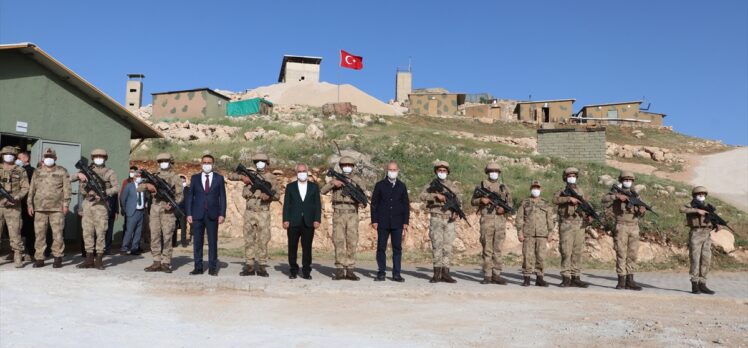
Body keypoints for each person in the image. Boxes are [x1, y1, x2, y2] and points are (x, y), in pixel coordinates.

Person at [227, 153, 279, 277]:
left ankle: (262, 266)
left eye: (262, 161)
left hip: (263, 212)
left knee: (263, 240)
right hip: (249, 212)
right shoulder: (250, 174)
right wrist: (242, 178)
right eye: (257, 162)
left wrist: (268, 197)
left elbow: (277, 196)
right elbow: (230, 176)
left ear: (267, 163)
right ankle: (249, 265)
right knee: (249, 239)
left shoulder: (272, 178)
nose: (259, 163)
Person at [321, 156, 365, 281]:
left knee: (352, 241)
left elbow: (363, 194)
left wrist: (361, 201)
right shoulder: (335, 179)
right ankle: (339, 269)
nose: (347, 167)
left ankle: (350, 269)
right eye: (344, 165)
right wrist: (332, 183)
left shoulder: (357, 180)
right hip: (338, 212)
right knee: (338, 240)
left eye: (349, 165)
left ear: (353, 166)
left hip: (352, 212)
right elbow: (323, 191)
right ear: (341, 167)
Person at [73, 149, 118, 270]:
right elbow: (70, 178)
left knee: (101, 232)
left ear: (105, 158)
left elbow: (116, 188)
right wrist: (78, 175)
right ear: (92, 158)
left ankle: (98, 259)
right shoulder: (86, 170)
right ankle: (88, 259)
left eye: (101, 156)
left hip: (101, 205)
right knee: (87, 232)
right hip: (87, 204)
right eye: (96, 156)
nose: (99, 158)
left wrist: (104, 193)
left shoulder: (109, 172)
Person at [139, 153, 183, 273]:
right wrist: (147, 185)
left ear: (170, 162)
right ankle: (156, 261)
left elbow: (180, 195)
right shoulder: (154, 176)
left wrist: (173, 204)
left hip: (168, 211)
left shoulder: (175, 177)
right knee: (154, 235)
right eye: (161, 161)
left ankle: (166, 262)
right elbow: (139, 187)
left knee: (168, 237)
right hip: (154, 209)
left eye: (166, 160)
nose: (163, 162)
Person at [419, 160, 462, 284]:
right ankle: (436, 273)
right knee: (437, 246)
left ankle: (446, 273)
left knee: (447, 247)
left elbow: (459, 202)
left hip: (449, 220)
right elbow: (422, 196)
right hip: (436, 217)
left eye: (444, 171)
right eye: (439, 170)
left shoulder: (453, 186)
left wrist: (456, 213)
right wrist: (434, 196)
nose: (442, 172)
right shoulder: (431, 185)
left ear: (447, 172)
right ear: (436, 172)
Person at [601, 171, 645, 291]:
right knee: (621, 253)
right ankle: (621, 280)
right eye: (625, 179)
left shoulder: (635, 195)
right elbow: (604, 199)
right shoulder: (616, 192)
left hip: (634, 226)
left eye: (630, 180)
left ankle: (630, 280)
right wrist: (616, 197)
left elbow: (641, 210)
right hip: (621, 225)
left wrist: (642, 210)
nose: (628, 181)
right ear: (621, 180)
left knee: (632, 254)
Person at [27, 148, 71, 268]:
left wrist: (66, 204)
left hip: (57, 208)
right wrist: (30, 205)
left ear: (55, 158)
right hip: (40, 208)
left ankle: (58, 257)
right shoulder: (37, 171)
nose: (48, 159)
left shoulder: (62, 171)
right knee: (39, 234)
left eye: (51, 157)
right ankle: (40, 258)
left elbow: (67, 189)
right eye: (46, 156)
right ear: (43, 158)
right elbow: (31, 189)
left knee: (57, 234)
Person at [470, 162, 512, 285]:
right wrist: (481, 200)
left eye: (496, 171)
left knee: (497, 250)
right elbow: (473, 201)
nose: (494, 173)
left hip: (500, 222)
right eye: (491, 171)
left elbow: (510, 204)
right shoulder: (482, 185)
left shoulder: (504, 188)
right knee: (487, 249)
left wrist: (504, 209)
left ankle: (497, 275)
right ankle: (487, 275)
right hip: (486, 220)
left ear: (499, 173)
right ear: (487, 173)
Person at [186, 154, 226, 276]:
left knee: (212, 242)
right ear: (201, 164)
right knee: (198, 241)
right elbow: (190, 197)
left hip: (213, 214)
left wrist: (222, 214)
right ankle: (198, 267)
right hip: (197, 214)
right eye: (205, 162)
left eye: (209, 163)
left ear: (213, 164)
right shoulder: (195, 178)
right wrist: (189, 213)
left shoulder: (219, 178)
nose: (207, 165)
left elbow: (223, 197)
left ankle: (212, 267)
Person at [553, 167, 593, 288]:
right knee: (566, 251)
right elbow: (554, 199)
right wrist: (568, 199)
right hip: (566, 223)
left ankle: (576, 277)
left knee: (577, 252)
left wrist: (590, 215)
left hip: (579, 224)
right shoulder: (562, 191)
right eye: (569, 175)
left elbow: (587, 205)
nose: (572, 177)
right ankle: (566, 278)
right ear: (565, 177)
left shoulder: (581, 191)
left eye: (574, 175)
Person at [370, 161, 409, 282]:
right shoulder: (380, 185)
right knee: (381, 247)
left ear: (398, 171)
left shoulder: (402, 186)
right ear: (387, 171)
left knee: (397, 248)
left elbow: (406, 205)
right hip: (383, 221)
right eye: (390, 170)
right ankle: (381, 272)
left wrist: (405, 222)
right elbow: (374, 204)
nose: (392, 172)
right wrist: (374, 220)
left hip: (397, 222)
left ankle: (396, 273)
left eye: (394, 170)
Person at [282, 163, 321, 280]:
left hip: (308, 221)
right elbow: (287, 205)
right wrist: (285, 219)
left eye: (304, 171)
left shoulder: (314, 187)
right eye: (299, 171)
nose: (302, 173)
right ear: (296, 173)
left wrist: (317, 219)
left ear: (307, 172)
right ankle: (293, 270)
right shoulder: (290, 187)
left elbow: (317, 205)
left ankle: (306, 271)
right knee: (292, 247)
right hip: (293, 221)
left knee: (307, 248)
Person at [515, 180, 555, 287]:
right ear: (530, 189)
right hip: (528, 233)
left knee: (541, 257)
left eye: (537, 188)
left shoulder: (545, 203)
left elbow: (549, 219)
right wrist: (519, 232)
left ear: (541, 189)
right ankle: (527, 278)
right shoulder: (525, 202)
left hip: (542, 234)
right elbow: (519, 218)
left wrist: (551, 232)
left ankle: (539, 279)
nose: (535, 190)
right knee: (527, 256)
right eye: (534, 188)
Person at [680, 186, 717, 295]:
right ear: (694, 195)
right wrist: (697, 210)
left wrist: (717, 224)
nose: (701, 195)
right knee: (695, 258)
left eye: (703, 193)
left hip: (707, 233)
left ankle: (703, 283)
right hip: (696, 233)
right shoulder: (691, 204)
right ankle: (694, 284)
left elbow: (713, 218)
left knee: (706, 259)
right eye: (699, 193)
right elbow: (681, 209)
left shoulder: (708, 206)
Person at [0, 146, 30, 268]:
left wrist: (17, 198)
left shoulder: (20, 170)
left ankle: (18, 255)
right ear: (2, 155)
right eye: (6, 154)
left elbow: (25, 187)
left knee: (15, 232)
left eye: (11, 154)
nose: (9, 156)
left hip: (14, 207)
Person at [120, 169, 146, 255]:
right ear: (134, 177)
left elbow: (145, 197)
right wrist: (125, 209)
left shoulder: (143, 186)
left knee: (138, 231)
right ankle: (124, 248)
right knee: (129, 231)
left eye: (140, 176)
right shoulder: (129, 186)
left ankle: (134, 248)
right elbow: (123, 199)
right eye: (137, 176)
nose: (139, 178)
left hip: (141, 211)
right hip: (132, 211)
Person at [17, 151, 36, 262]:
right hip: (16, 204)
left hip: (27, 204)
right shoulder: (16, 170)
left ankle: (30, 252)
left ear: (25, 158)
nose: (17, 160)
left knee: (29, 229)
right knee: (17, 229)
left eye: (19, 158)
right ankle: (17, 252)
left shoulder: (31, 170)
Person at [176, 174, 191, 247]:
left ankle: (183, 242)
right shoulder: (175, 189)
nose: (182, 180)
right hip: (175, 209)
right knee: (174, 226)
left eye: (183, 179)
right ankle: (173, 242)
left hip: (184, 210)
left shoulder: (188, 189)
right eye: (180, 179)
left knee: (183, 227)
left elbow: (189, 200)